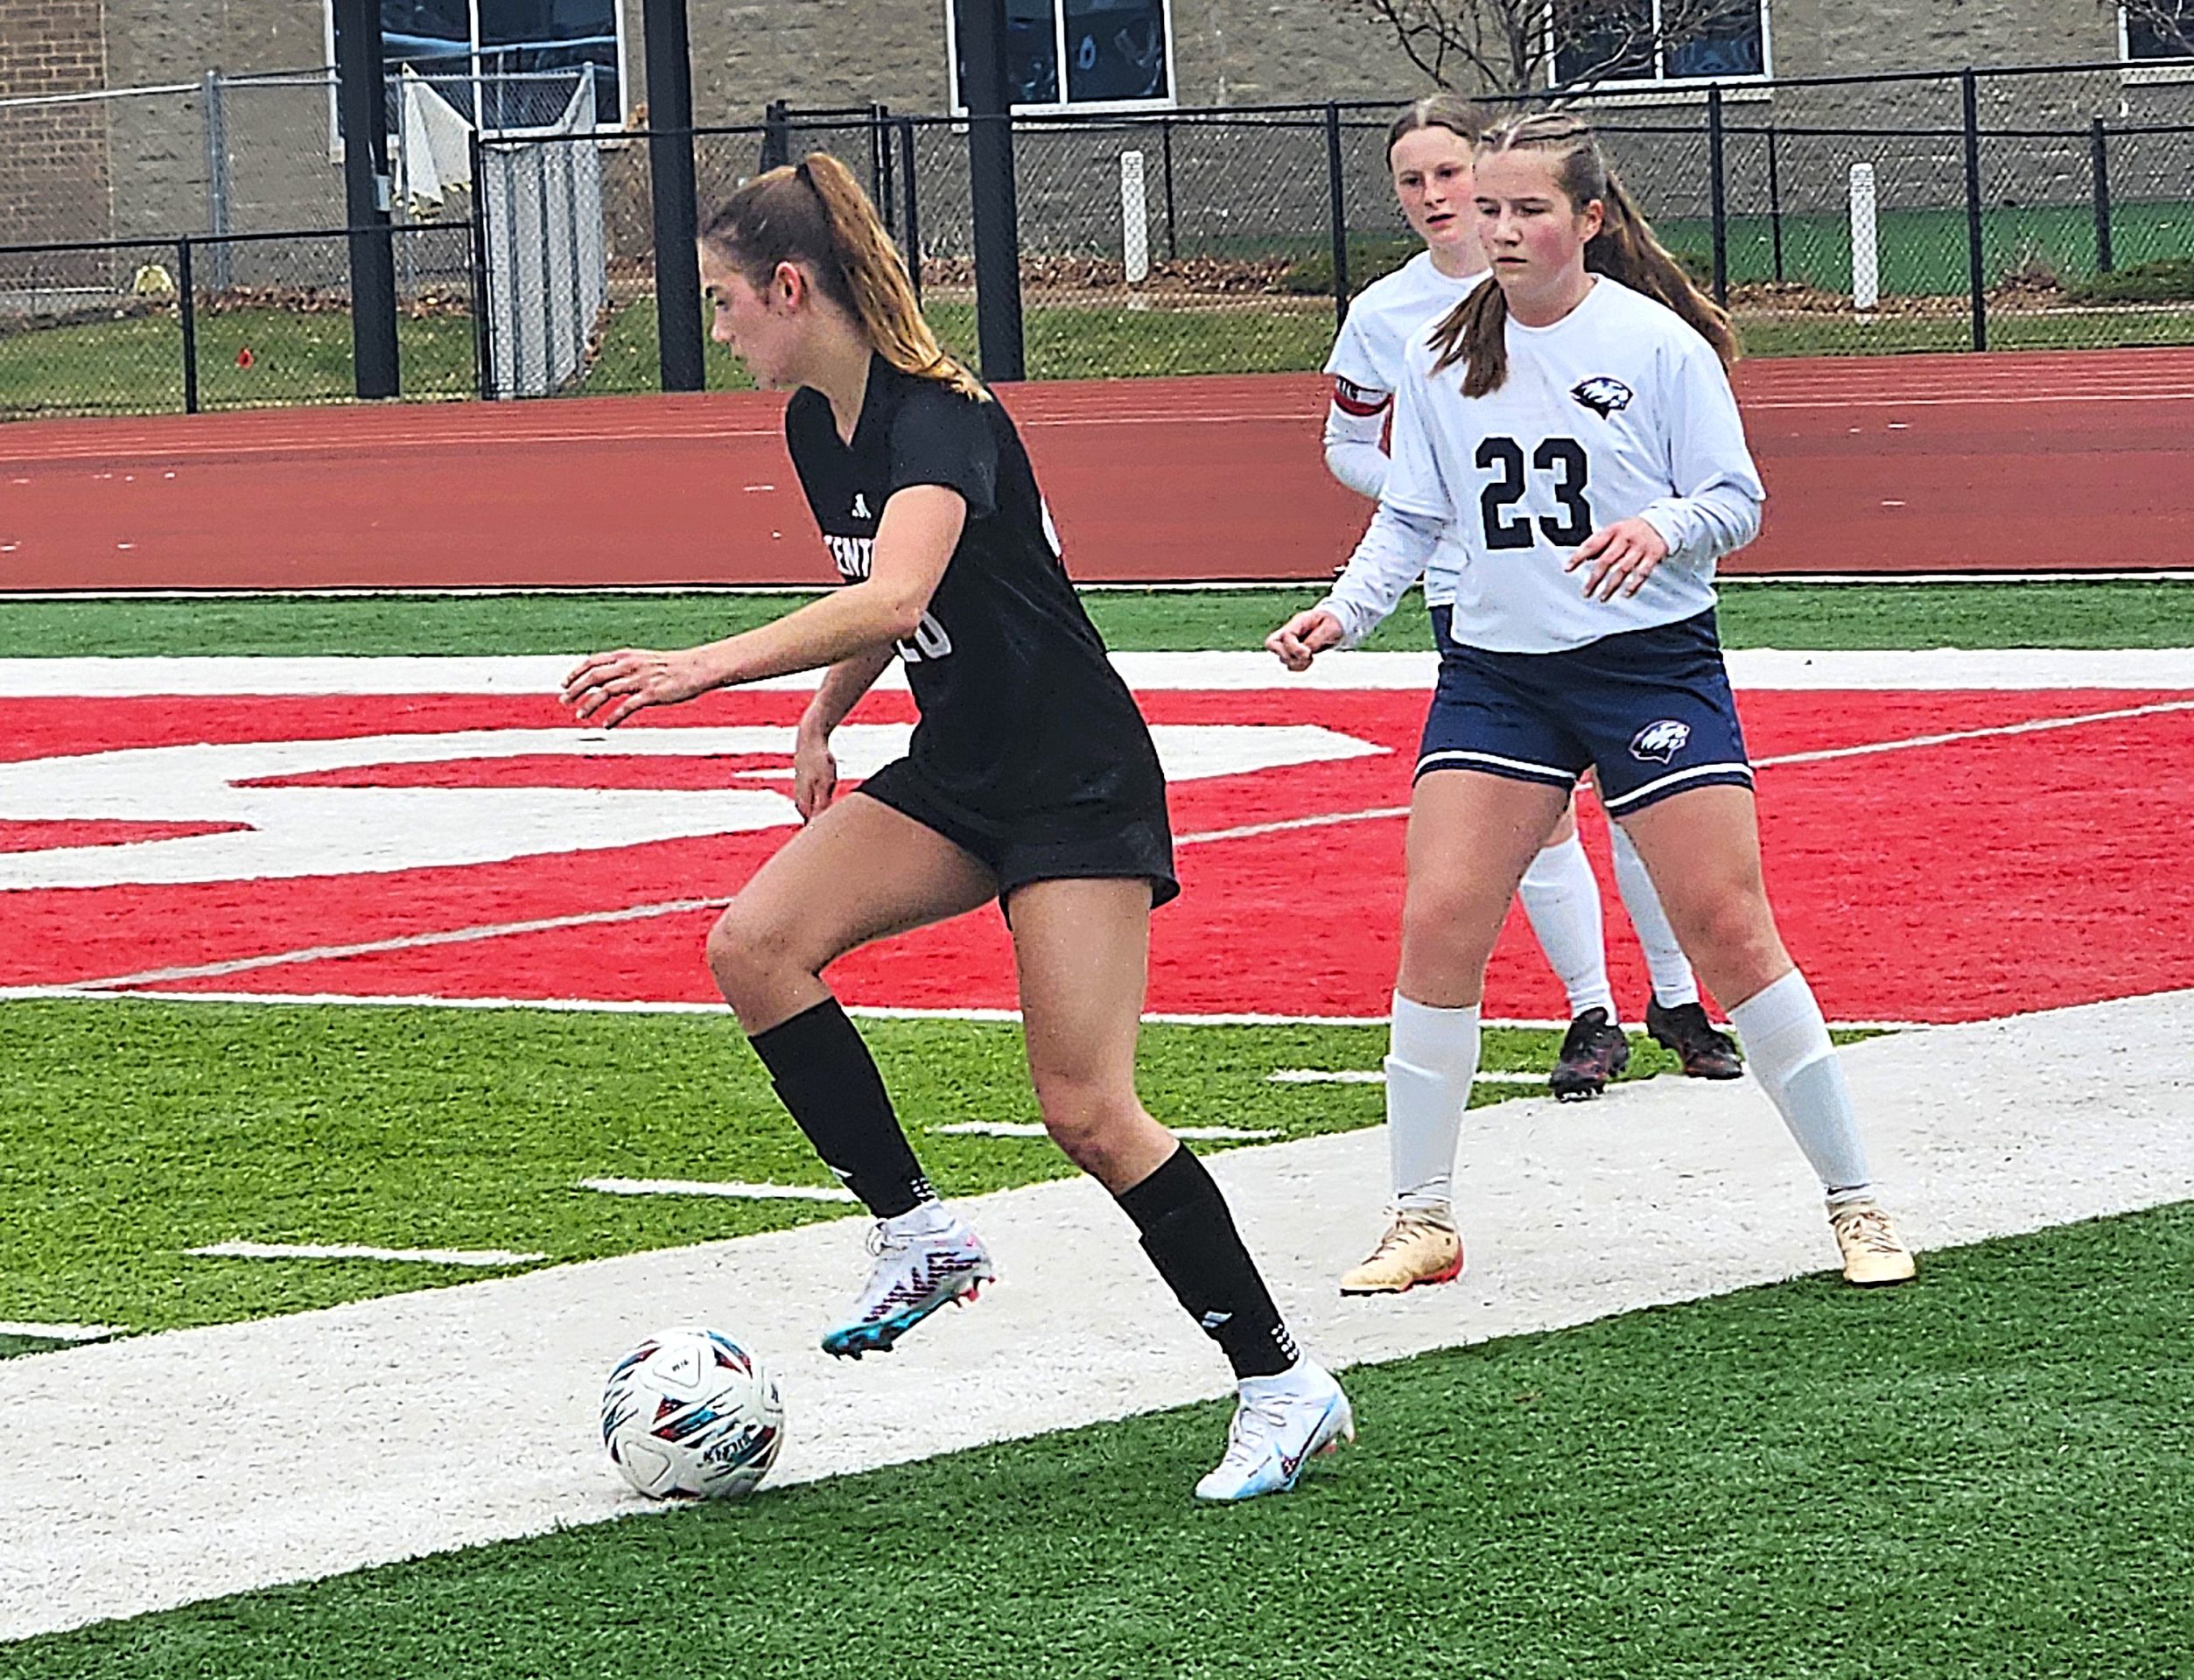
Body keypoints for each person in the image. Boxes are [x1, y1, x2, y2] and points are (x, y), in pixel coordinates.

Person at [564, 154, 1352, 1499]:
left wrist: (700, 668)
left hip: (1074, 780)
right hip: (963, 768)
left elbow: (894, 592)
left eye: (722, 300)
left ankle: (1283, 1383)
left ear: (790, 288)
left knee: (1090, 1112)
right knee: (754, 946)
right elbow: (891, 608)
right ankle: (917, 1233)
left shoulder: (940, 418)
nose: (719, 327)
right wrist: (821, 719)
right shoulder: (816, 425)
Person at [1267, 113, 1916, 1291]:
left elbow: (1734, 499)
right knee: (1439, 918)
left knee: (1727, 925)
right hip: (1497, 675)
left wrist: (1660, 525)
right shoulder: (1440, 351)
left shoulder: (1656, 344)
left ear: (1590, 218)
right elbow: (1412, 514)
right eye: (1489, 208)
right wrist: (1343, 613)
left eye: (1529, 208)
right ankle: (1421, 1217)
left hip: (1647, 666)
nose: (1501, 228)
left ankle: (1856, 1202)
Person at [1322, 97, 1742, 1136]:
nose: (1438, 198)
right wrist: (1424, 530)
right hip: (1481, 603)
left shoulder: (1630, 329)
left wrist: (1659, 524)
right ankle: (1587, 1010)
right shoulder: (1390, 318)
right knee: (1518, 833)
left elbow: (1728, 496)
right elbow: (1364, 460)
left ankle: (1678, 998)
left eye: (1451, 176)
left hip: (1620, 612)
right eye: (1412, 181)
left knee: (1648, 814)